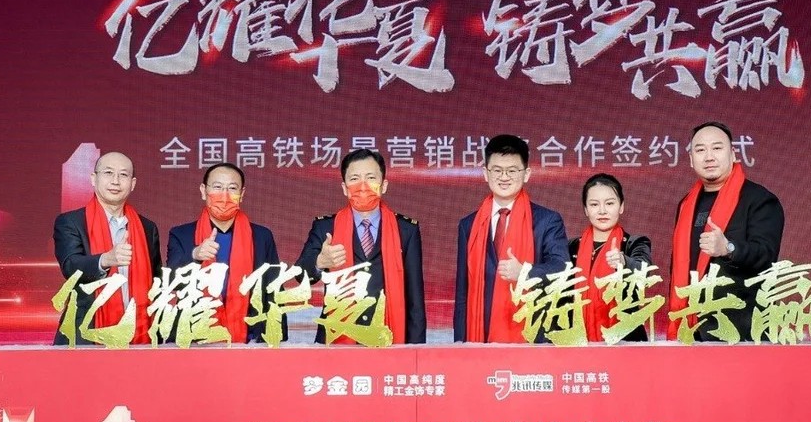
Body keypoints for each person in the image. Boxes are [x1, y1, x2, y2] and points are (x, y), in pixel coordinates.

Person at [668, 122, 784, 342]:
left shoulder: (760, 200)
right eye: (700, 150)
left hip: (741, 332)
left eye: (717, 148)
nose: (709, 157)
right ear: (691, 159)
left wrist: (728, 248)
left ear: (733, 153)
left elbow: (766, 256)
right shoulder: (686, 204)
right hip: (691, 330)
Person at [297, 148, 426, 344]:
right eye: (355, 179)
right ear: (344, 187)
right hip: (337, 337)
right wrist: (319, 262)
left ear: (384, 185)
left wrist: (414, 352)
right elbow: (300, 274)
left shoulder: (406, 230)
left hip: (389, 336)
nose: (363, 186)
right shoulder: (326, 227)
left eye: (371, 178)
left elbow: (415, 300)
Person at [454, 134, 570, 343]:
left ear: (526, 174)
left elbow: (562, 268)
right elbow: (463, 294)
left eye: (512, 170)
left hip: (532, 336)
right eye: (497, 170)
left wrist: (525, 272)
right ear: (485, 173)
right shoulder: (468, 225)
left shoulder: (547, 221)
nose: (504, 177)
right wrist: (461, 345)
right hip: (480, 337)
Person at [167, 162, 284, 344]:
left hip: (249, 338)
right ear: (203, 190)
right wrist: (195, 256)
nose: (224, 195)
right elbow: (172, 282)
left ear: (242, 194)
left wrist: (278, 338)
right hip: (195, 338)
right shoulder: (181, 234)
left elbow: (274, 290)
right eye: (217, 187)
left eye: (232, 188)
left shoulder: (262, 236)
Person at [52, 151, 162, 345]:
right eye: (108, 173)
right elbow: (70, 266)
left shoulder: (147, 228)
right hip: (86, 335)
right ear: (93, 179)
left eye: (123, 175)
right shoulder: (71, 222)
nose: (115, 181)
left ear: (133, 184)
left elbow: (157, 281)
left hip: (140, 334)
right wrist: (105, 260)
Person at [568, 173, 653, 342]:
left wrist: (624, 262)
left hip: (625, 341)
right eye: (594, 204)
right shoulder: (571, 247)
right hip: (578, 341)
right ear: (585, 209)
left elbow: (644, 271)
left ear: (621, 206)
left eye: (610, 203)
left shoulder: (634, 243)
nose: (602, 211)